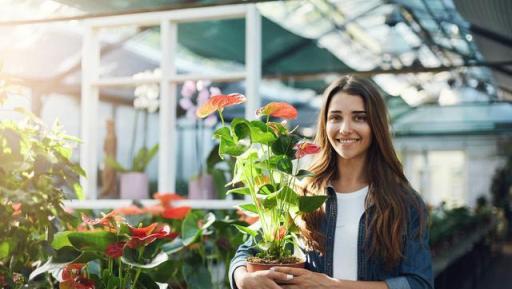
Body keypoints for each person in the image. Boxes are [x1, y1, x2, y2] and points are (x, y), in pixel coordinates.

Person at [229, 75, 433, 289]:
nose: (345, 128)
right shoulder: (301, 194)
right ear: (325, 124)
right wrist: (243, 278)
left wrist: (331, 285)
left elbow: (418, 283)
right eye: (335, 117)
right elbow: (245, 253)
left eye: (359, 118)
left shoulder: (403, 202)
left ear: (376, 125)